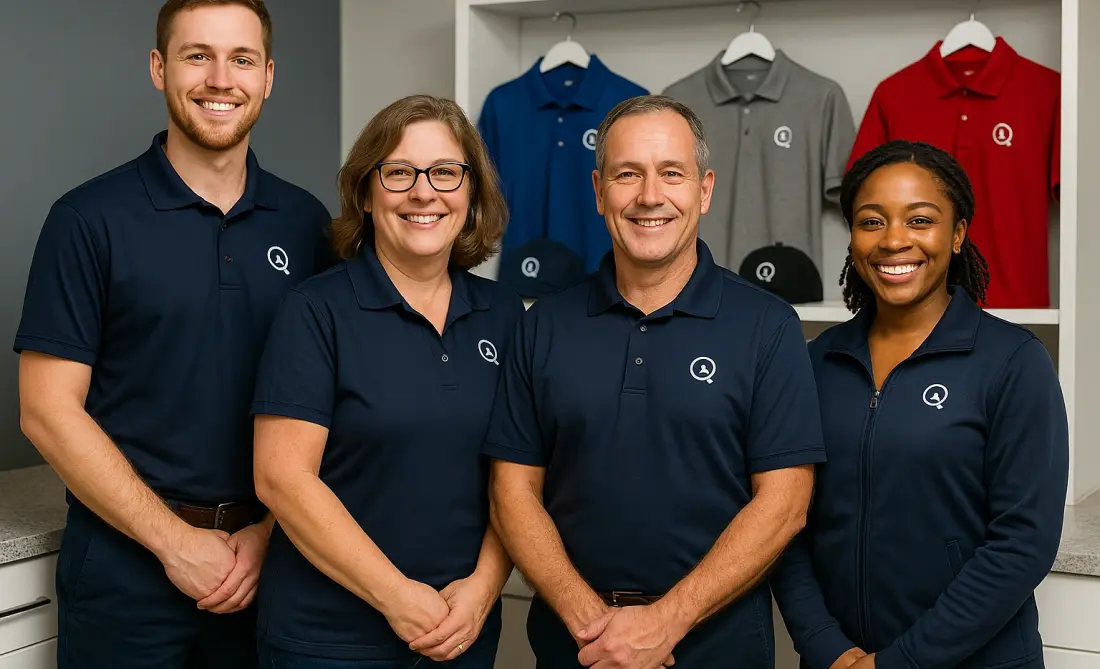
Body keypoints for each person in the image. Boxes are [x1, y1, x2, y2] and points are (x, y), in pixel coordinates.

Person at [14, 0, 335, 668]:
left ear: (269, 77)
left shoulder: (307, 223)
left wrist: (269, 534)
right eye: (197, 56)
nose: (221, 79)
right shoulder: (88, 219)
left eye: (243, 59)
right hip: (125, 567)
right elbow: (45, 410)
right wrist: (173, 542)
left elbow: (336, 400)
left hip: (270, 567)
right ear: (159, 67)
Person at [482, 94, 826, 669]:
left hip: (718, 648)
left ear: (705, 189)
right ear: (598, 191)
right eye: (627, 174)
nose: (649, 196)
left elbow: (785, 504)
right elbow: (512, 492)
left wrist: (665, 623)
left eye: (672, 173)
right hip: (575, 647)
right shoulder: (542, 323)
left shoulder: (767, 325)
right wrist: (596, 628)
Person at [772, 140, 1069, 669]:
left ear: (957, 234)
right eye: (871, 221)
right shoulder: (815, 363)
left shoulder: (1014, 361)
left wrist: (900, 663)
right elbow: (785, 522)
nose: (893, 241)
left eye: (920, 220)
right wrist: (826, 648)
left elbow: (1022, 544)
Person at [251, 95, 522, 668]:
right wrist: (397, 597)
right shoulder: (315, 311)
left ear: (471, 192)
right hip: (330, 639)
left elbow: (518, 477)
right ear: (365, 193)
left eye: (446, 172)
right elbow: (282, 479)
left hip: (461, 631)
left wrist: (482, 589)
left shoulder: (506, 314)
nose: (424, 192)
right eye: (398, 172)